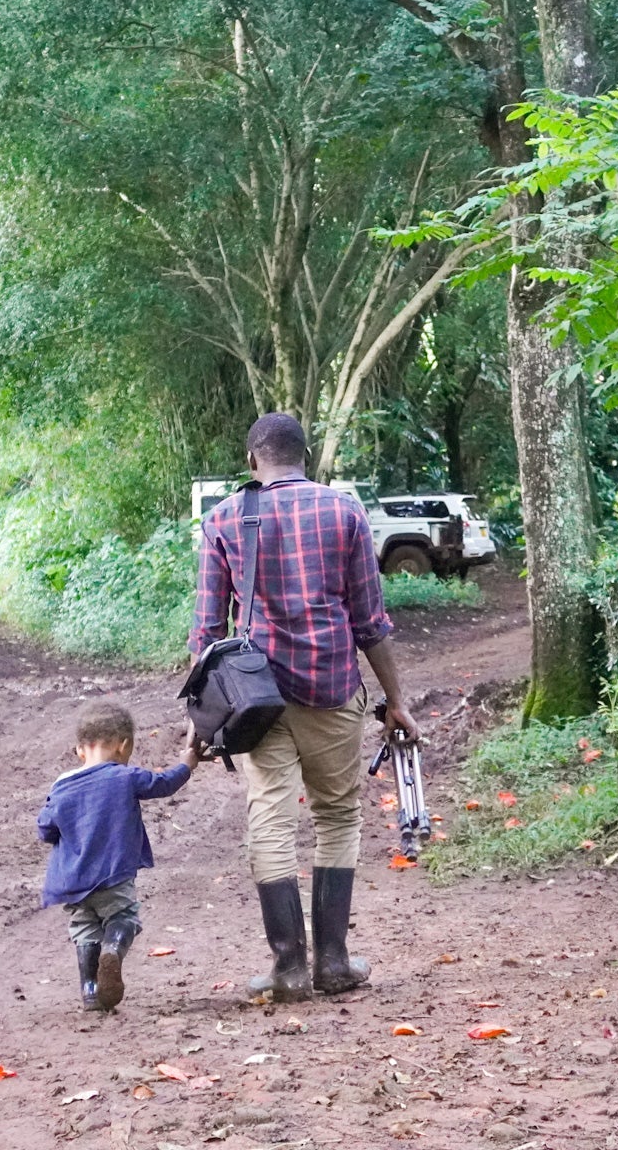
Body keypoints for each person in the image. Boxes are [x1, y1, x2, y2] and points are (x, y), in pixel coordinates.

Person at [191, 411, 422, 1002]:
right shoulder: (342, 511)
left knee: (269, 813)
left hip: (254, 697)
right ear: (306, 457)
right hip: (332, 686)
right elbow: (370, 620)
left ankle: (289, 967)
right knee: (337, 815)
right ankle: (335, 963)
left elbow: (207, 633)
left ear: (252, 461)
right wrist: (395, 700)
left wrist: (199, 724)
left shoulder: (222, 519)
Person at [36, 701, 199, 1011]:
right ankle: (113, 949)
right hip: (113, 873)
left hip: (73, 881)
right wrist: (187, 765)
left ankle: (91, 993)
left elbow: (45, 829)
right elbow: (163, 784)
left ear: (79, 750)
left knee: (85, 930)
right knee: (122, 917)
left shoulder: (61, 786)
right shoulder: (124, 776)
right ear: (124, 747)